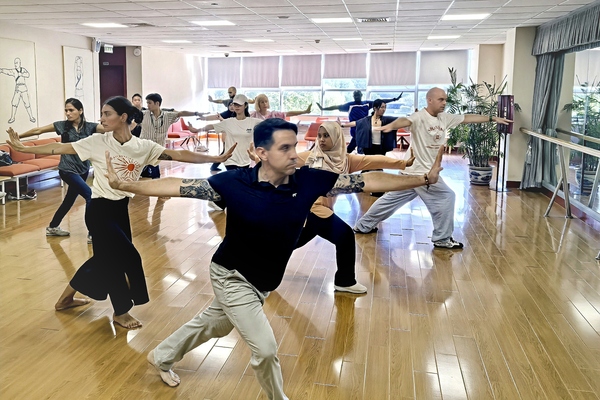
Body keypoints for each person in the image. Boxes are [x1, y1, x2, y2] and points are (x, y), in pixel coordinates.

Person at [103, 117, 444, 397]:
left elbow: (364, 180)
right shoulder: (235, 182)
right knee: (265, 349)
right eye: (285, 148)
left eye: (295, 145)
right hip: (231, 274)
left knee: (216, 323)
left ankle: (161, 355)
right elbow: (178, 187)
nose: (295, 154)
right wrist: (126, 185)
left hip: (263, 281)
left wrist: (421, 178)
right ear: (261, 153)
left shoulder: (308, 181)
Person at [6, 96, 236, 330]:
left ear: (123, 117)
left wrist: (215, 158)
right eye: (102, 114)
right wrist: (25, 148)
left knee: (103, 260)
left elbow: (178, 155)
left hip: (120, 209)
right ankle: (121, 311)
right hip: (99, 209)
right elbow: (61, 148)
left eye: (107, 114)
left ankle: (65, 299)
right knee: (127, 257)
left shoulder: (143, 147)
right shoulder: (97, 141)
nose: (102, 118)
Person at [353, 87, 512, 249]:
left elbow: (467, 118)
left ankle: (363, 225)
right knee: (447, 196)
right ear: (429, 100)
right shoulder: (419, 117)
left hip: (412, 172)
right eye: (440, 99)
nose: (444, 103)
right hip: (420, 173)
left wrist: (492, 118)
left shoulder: (445, 118)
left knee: (390, 200)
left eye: (445, 100)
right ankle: (442, 238)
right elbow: (405, 121)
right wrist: (391, 126)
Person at [292, 121, 415, 293]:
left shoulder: (346, 160)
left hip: (323, 209)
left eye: (326, 135)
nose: (321, 139)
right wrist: (260, 158)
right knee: (345, 236)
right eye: (319, 136)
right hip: (312, 209)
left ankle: (260, 261)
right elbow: (283, 162)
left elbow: (372, 160)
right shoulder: (311, 157)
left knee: (292, 241)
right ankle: (345, 281)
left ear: (336, 137)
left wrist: (402, 163)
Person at [18, 98, 105, 242]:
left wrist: (128, 122)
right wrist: (18, 137)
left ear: (80, 111)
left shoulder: (90, 127)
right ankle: (93, 233)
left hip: (83, 168)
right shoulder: (62, 126)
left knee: (69, 200)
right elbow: (38, 130)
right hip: (67, 169)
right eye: (66, 110)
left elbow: (108, 129)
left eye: (71, 110)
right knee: (90, 196)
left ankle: (53, 227)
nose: (68, 113)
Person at [139, 93, 205, 178]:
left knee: (154, 166)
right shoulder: (143, 114)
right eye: (147, 103)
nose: (147, 105)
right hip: (145, 146)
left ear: (157, 103)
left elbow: (181, 113)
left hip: (158, 147)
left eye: (149, 103)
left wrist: (196, 113)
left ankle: (154, 180)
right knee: (146, 167)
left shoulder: (168, 115)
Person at [317, 90, 402, 153]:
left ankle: (353, 153)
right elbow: (336, 107)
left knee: (361, 143)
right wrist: (323, 109)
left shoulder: (366, 103)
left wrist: (394, 99)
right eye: (355, 95)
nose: (357, 97)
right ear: (353, 96)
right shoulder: (349, 105)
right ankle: (349, 154)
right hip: (355, 128)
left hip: (365, 128)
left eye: (358, 95)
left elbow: (380, 102)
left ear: (361, 95)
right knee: (355, 142)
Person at [201, 94, 262, 171]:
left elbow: (268, 124)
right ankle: (214, 166)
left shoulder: (252, 121)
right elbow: (213, 125)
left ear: (245, 105)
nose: (236, 107)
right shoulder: (227, 117)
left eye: (239, 105)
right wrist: (198, 129)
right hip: (231, 158)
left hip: (245, 159)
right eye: (234, 104)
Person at [1, 57, 36, 123]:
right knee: (14, 103)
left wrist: (21, 74)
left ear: (20, 63)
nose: (15, 64)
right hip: (17, 88)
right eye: (15, 63)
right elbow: (8, 71)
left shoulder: (23, 70)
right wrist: (2, 70)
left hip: (23, 88)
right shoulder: (14, 71)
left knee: (27, 103)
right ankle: (12, 118)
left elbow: (28, 74)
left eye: (16, 63)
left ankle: (31, 117)